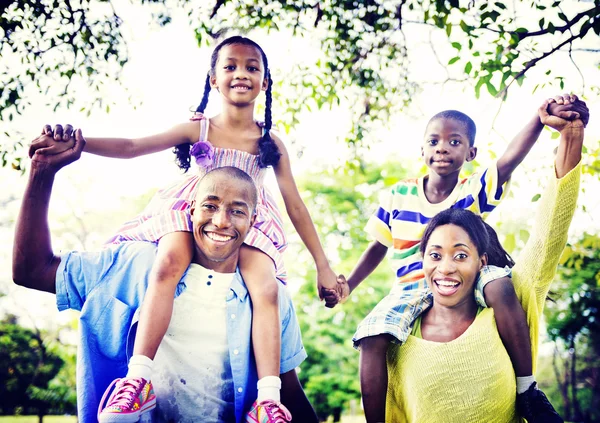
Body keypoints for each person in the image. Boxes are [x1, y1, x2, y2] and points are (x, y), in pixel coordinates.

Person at [31, 36, 343, 421]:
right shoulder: (200, 130)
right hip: (194, 212)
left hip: (248, 221)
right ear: (213, 79)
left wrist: (322, 265)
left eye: (251, 67)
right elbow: (132, 145)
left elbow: (295, 203)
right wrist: (79, 144)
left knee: (265, 288)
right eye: (229, 66)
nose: (240, 73)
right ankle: (140, 378)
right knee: (166, 264)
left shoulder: (269, 141)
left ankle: (267, 399)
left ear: (265, 82)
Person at [13, 129, 320, 423]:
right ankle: (137, 382)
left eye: (237, 211)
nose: (221, 222)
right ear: (190, 208)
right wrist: (42, 172)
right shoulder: (134, 266)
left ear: (255, 221)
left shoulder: (270, 294)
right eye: (210, 206)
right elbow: (32, 271)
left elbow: (290, 391)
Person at [338, 95, 587, 422]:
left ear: (470, 154)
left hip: (470, 277)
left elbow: (508, 160)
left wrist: (539, 120)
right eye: (434, 141)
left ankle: (527, 388)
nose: (442, 147)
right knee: (370, 333)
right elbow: (378, 245)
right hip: (410, 287)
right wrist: (349, 286)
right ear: (422, 150)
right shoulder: (399, 194)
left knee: (500, 288)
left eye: (454, 141)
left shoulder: (472, 190)